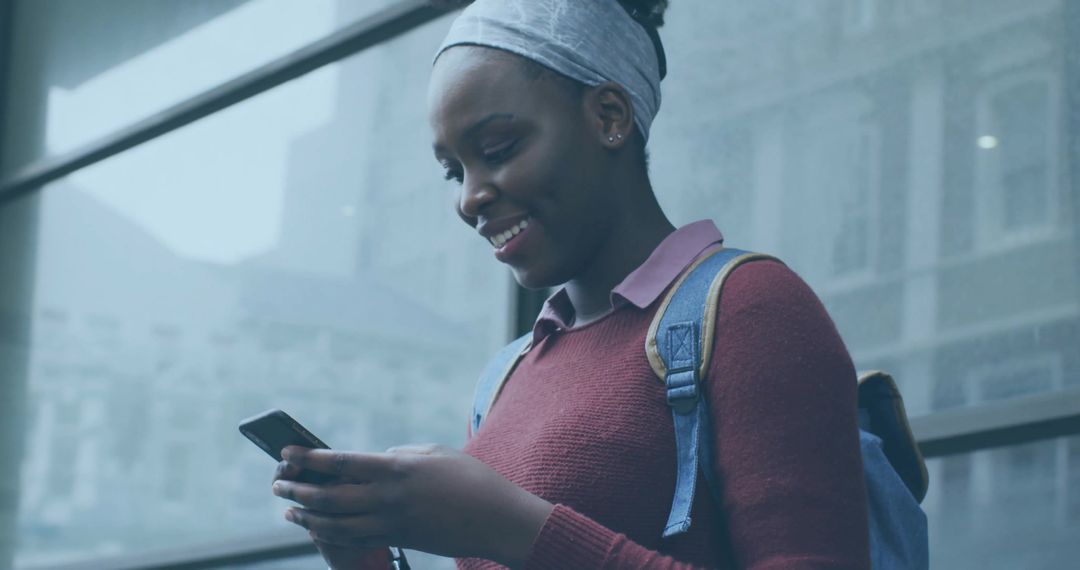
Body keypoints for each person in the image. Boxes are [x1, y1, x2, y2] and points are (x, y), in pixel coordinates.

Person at [270, 0, 871, 568]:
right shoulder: (505, 378)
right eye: (455, 171)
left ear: (609, 117)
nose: (469, 197)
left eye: (498, 149)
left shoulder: (751, 308)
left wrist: (516, 527)